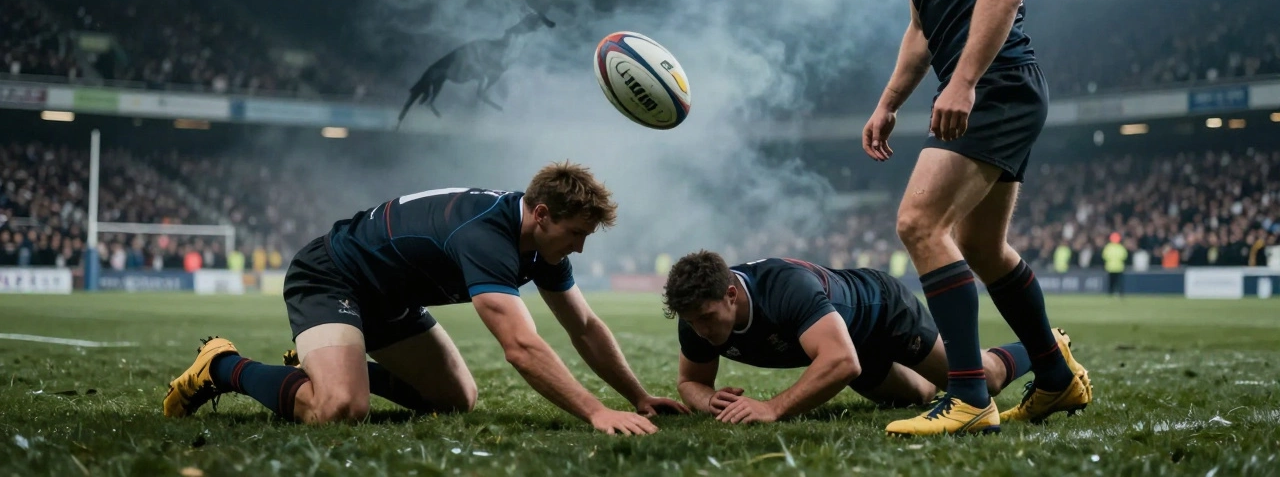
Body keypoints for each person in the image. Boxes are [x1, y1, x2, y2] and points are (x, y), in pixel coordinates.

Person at [847, 0, 1091, 435]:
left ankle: (968, 396)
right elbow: (921, 32)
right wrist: (888, 104)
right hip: (988, 85)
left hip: (998, 84)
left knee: (919, 222)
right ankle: (1056, 377)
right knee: (983, 246)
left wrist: (964, 84)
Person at [164, 161, 687, 434]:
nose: (578, 246)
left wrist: (638, 397)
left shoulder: (540, 247)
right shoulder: (486, 237)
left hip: (388, 298)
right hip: (332, 277)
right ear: (542, 214)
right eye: (576, 233)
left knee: (456, 402)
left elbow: (585, 328)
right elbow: (521, 347)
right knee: (341, 409)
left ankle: (324, 363)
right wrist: (597, 412)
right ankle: (223, 367)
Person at [663, 251, 1058, 426]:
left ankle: (1048, 347)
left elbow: (841, 362)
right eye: (691, 322)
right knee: (916, 398)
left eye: (705, 318)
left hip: (882, 311)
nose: (700, 330)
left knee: (982, 382)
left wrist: (772, 408)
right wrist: (708, 400)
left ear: (730, 295)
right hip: (846, 340)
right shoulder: (695, 312)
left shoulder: (784, 289)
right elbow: (689, 382)